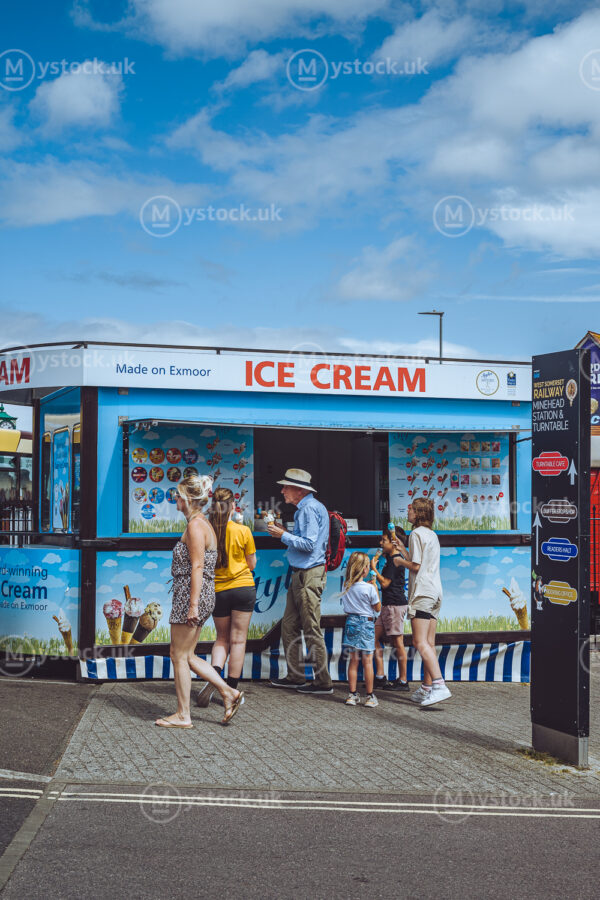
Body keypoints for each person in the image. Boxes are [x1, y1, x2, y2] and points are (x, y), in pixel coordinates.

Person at [155, 475, 244, 728]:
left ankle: (183, 715)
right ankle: (229, 692)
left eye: (178, 495)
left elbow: (197, 566)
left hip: (191, 594)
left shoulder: (195, 526)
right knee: (188, 655)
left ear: (188, 499)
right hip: (200, 592)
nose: (175, 499)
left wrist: (192, 605)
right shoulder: (202, 524)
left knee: (178, 655)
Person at [267, 468, 333, 694]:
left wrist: (281, 535)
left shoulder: (308, 510)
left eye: (286, 486)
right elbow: (306, 541)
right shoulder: (309, 508)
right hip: (303, 573)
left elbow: (309, 545)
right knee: (290, 625)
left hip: (307, 574)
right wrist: (285, 532)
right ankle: (297, 676)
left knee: (309, 627)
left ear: (299, 490)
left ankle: (322, 681)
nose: (282, 490)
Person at [196, 487, 257, 708]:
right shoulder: (243, 531)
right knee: (238, 640)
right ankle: (231, 688)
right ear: (233, 506)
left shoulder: (207, 531)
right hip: (243, 588)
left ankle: (215, 678)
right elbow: (251, 564)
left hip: (218, 590)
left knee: (221, 638)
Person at [391, 497, 451, 707]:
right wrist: (403, 548)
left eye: (411, 509)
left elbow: (415, 567)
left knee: (419, 642)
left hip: (422, 593)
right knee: (429, 643)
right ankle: (427, 688)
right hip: (435, 592)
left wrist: (399, 560)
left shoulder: (416, 534)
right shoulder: (431, 534)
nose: (407, 512)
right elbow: (421, 562)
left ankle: (439, 685)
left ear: (418, 514)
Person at [371, 527, 410, 692]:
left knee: (397, 642)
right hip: (388, 606)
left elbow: (386, 583)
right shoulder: (390, 559)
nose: (381, 543)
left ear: (393, 543)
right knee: (373, 637)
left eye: (384, 540)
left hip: (394, 605)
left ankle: (403, 681)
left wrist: (373, 568)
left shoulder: (395, 560)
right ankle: (380, 676)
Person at [341, 552, 381, 707]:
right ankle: (370, 697)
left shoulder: (346, 585)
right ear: (365, 569)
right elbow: (377, 607)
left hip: (351, 622)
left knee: (353, 661)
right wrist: (375, 588)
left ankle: (351, 695)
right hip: (366, 624)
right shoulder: (369, 589)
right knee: (368, 662)